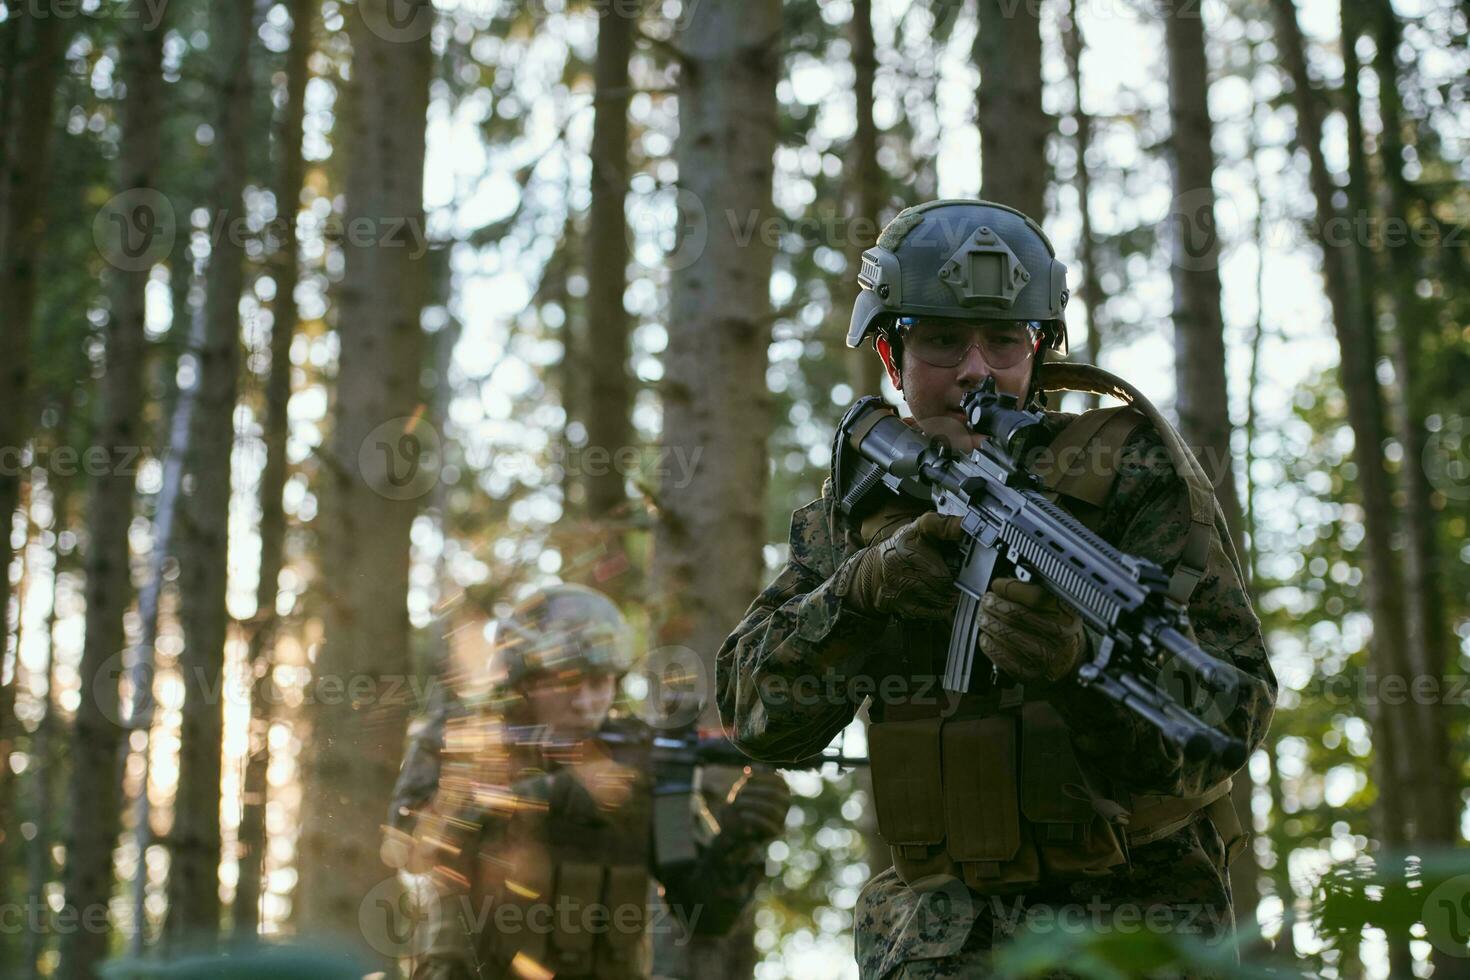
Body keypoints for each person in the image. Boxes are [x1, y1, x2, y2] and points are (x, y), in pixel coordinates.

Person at [716, 199, 1277, 977]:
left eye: (1005, 340)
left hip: (1136, 937)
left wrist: (1082, 671)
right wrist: (860, 595)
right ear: (892, 356)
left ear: (1038, 352)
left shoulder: (1130, 480)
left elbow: (1231, 718)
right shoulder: (865, 513)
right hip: (932, 945)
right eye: (944, 341)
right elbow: (755, 714)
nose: (977, 370)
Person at [401, 583, 790, 980]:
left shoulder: (643, 764)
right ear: (525, 682)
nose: (586, 702)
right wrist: (550, 795)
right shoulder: (470, 741)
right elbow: (412, 846)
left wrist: (742, 839)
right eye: (568, 683)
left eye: (599, 683)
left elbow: (707, 912)